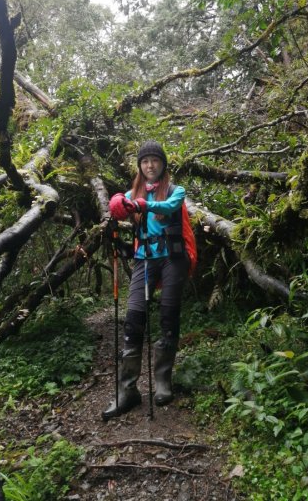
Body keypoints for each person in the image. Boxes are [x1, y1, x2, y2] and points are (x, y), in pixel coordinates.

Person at [102, 140, 189, 420]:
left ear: (162, 164)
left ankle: (162, 381)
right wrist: (115, 213)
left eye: (155, 160)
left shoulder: (176, 191)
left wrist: (141, 203)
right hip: (144, 258)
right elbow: (122, 212)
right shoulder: (132, 192)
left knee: (168, 315)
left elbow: (168, 207)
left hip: (172, 259)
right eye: (145, 161)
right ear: (140, 166)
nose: (150, 165)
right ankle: (128, 390)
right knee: (134, 318)